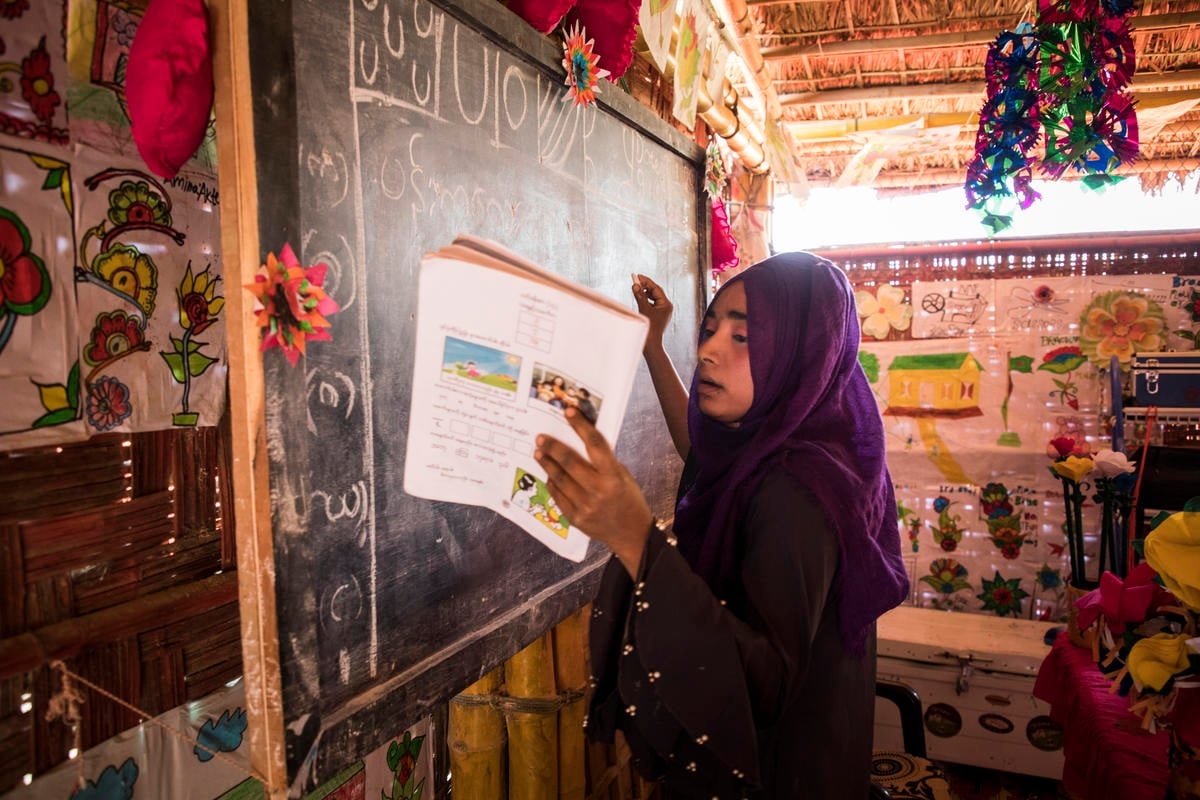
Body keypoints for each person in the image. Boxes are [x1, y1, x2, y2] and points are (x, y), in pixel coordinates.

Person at [534, 253, 909, 799]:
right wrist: (652, 348)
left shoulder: (796, 494)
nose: (708, 349)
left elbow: (761, 688)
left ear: (802, 352)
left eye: (744, 337)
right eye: (710, 329)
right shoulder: (806, 453)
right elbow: (701, 453)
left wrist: (638, 539)